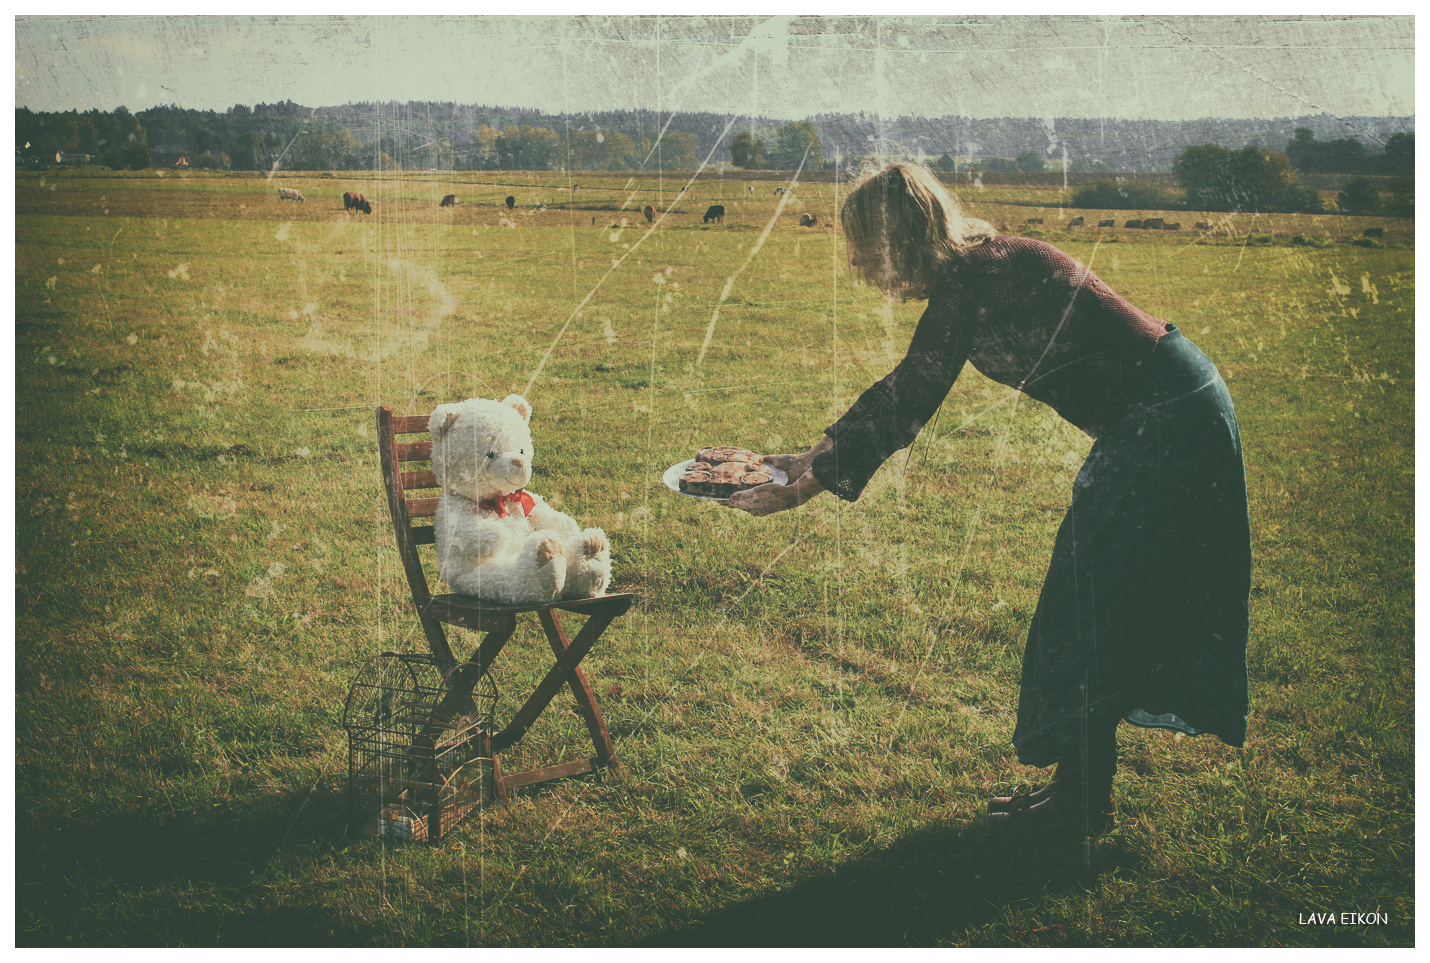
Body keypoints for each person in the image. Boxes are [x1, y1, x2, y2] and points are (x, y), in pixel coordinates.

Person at [729, 162, 1250, 837]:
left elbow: (913, 389)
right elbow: (907, 386)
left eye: (863, 245)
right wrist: (811, 460)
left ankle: (1081, 802)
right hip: (1165, 411)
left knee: (1088, 601)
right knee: (1094, 602)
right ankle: (1080, 796)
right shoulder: (974, 273)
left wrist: (808, 480)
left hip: (1170, 414)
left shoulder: (979, 273)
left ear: (898, 237)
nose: (857, 263)